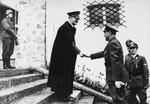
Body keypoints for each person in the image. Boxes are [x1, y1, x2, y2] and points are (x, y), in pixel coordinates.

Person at [84, 23, 128, 104]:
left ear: (109, 33)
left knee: (118, 99)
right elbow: (104, 53)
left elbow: (116, 62)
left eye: (105, 33)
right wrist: (89, 56)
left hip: (114, 76)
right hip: (115, 75)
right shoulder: (112, 42)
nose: (104, 35)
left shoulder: (113, 43)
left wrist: (116, 80)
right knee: (118, 99)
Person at [47, 11, 83, 101]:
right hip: (61, 58)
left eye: (78, 19)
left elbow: (71, 43)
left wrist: (76, 51)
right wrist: (78, 52)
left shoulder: (70, 28)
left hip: (67, 57)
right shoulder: (64, 28)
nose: (77, 20)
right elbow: (69, 43)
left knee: (67, 76)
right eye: (75, 18)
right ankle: (62, 96)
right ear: (70, 17)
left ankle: (66, 94)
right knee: (62, 76)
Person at [125, 40, 149, 104]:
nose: (132, 50)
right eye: (131, 48)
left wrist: (145, 85)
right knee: (129, 98)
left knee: (143, 100)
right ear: (129, 49)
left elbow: (146, 72)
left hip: (140, 83)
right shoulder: (127, 58)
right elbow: (125, 70)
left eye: (134, 48)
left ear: (136, 49)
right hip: (131, 83)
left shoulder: (141, 58)